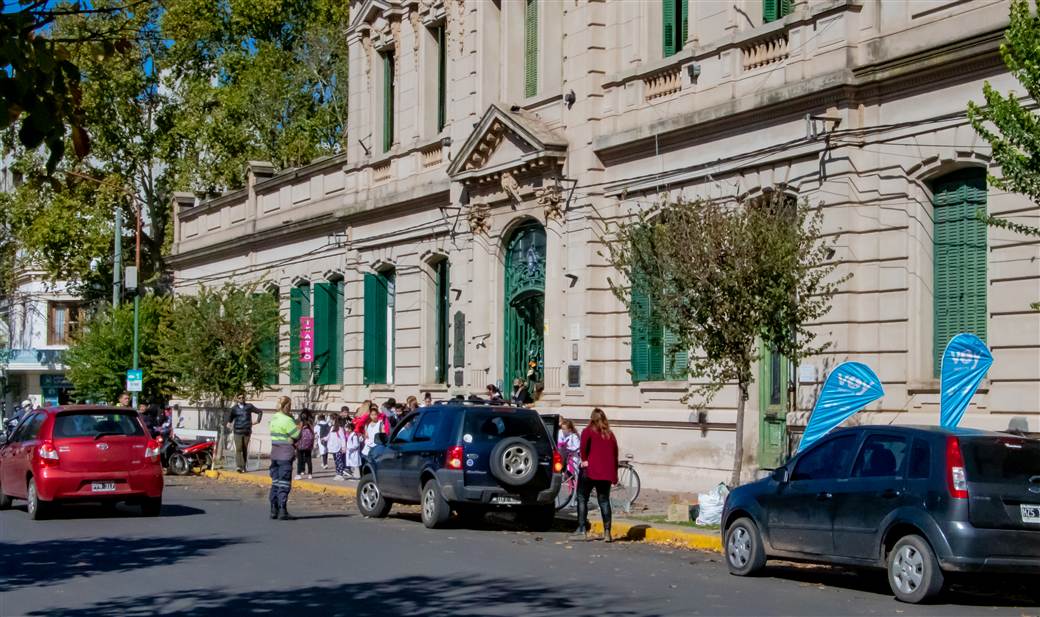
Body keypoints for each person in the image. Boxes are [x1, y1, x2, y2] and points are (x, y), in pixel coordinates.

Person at [572, 408, 619, 542]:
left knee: (582, 498)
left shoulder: (588, 431)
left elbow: (583, 448)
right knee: (604, 500)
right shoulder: (610, 434)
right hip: (606, 473)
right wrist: (614, 474)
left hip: (590, 470)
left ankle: (581, 529)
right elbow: (615, 455)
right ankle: (607, 532)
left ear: (591, 419)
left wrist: (584, 460)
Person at [268, 396, 300, 520]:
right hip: (285, 454)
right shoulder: (287, 420)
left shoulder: (274, 418)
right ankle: (282, 509)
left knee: (275, 482)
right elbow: (296, 435)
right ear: (287, 406)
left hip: (275, 453)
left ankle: (273, 509)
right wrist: (299, 427)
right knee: (284, 483)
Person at [226, 393, 263, 473]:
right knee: (239, 449)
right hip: (237, 432)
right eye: (239, 398)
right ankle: (239, 466)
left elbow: (260, 412)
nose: (241, 399)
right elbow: (229, 421)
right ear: (237, 399)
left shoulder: (249, 406)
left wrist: (257, 421)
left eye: (243, 397)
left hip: (247, 431)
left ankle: (244, 466)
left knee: (244, 449)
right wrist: (230, 426)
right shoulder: (234, 409)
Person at [295, 411, 314, 480]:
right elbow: (313, 434)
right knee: (308, 459)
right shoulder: (310, 424)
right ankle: (310, 474)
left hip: (300, 444)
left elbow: (298, 434)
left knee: (300, 459)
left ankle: (298, 474)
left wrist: (295, 442)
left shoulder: (300, 423)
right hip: (308, 445)